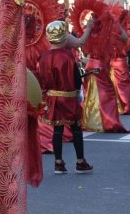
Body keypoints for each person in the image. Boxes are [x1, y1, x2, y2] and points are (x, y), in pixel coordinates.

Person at [37, 20, 94, 175]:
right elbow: (76, 78)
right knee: (76, 129)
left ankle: (58, 163)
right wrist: (78, 89)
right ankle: (80, 161)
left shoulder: (43, 57)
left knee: (57, 130)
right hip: (69, 97)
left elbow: (42, 79)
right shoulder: (68, 56)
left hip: (52, 98)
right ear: (64, 38)